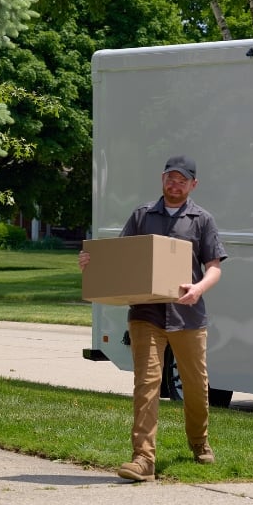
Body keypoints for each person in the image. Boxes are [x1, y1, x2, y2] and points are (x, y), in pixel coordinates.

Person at [79, 155, 227, 482]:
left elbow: (214, 266)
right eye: (170, 178)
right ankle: (143, 459)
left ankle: (199, 442)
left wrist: (199, 288)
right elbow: (121, 259)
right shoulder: (143, 215)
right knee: (146, 385)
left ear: (193, 184)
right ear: (162, 179)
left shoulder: (202, 220)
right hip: (145, 315)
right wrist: (91, 261)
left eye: (182, 180)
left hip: (188, 315)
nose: (175, 185)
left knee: (196, 387)